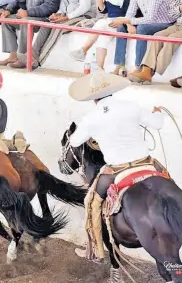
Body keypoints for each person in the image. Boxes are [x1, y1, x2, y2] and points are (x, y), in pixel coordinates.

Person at [67, 71, 168, 263]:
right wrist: (157, 113)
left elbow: (74, 141)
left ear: (93, 99)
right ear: (111, 91)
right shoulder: (131, 107)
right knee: (166, 179)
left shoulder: (91, 118)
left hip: (117, 170)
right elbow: (158, 123)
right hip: (146, 163)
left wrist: (88, 129)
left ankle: (97, 250)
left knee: (91, 202)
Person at [9, 0, 97, 69]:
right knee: (47, 24)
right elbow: (64, 5)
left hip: (85, 15)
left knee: (58, 28)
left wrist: (67, 17)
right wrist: (57, 14)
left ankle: (38, 61)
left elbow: (85, 7)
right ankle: (32, 55)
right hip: (69, 15)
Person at [109, 0, 176, 75]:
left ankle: (139, 67)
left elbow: (150, 19)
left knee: (142, 28)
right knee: (121, 28)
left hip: (167, 23)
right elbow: (130, 13)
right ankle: (119, 66)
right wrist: (128, 24)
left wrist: (127, 21)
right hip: (151, 22)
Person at [129, 0, 182, 84]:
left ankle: (152, 71)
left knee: (172, 39)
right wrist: (180, 9)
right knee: (157, 36)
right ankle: (146, 70)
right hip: (178, 25)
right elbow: (171, 13)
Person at [69, 0, 132, 70]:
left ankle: (83, 50)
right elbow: (104, 10)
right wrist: (99, 0)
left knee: (100, 23)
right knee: (102, 37)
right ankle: (100, 68)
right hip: (110, 21)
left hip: (123, 22)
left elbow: (129, 7)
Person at [0, 0, 61, 67]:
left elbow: (51, 7)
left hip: (45, 18)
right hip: (29, 15)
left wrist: (28, 12)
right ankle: (13, 57)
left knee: (25, 21)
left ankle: (22, 58)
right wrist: (8, 10)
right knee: (6, 20)